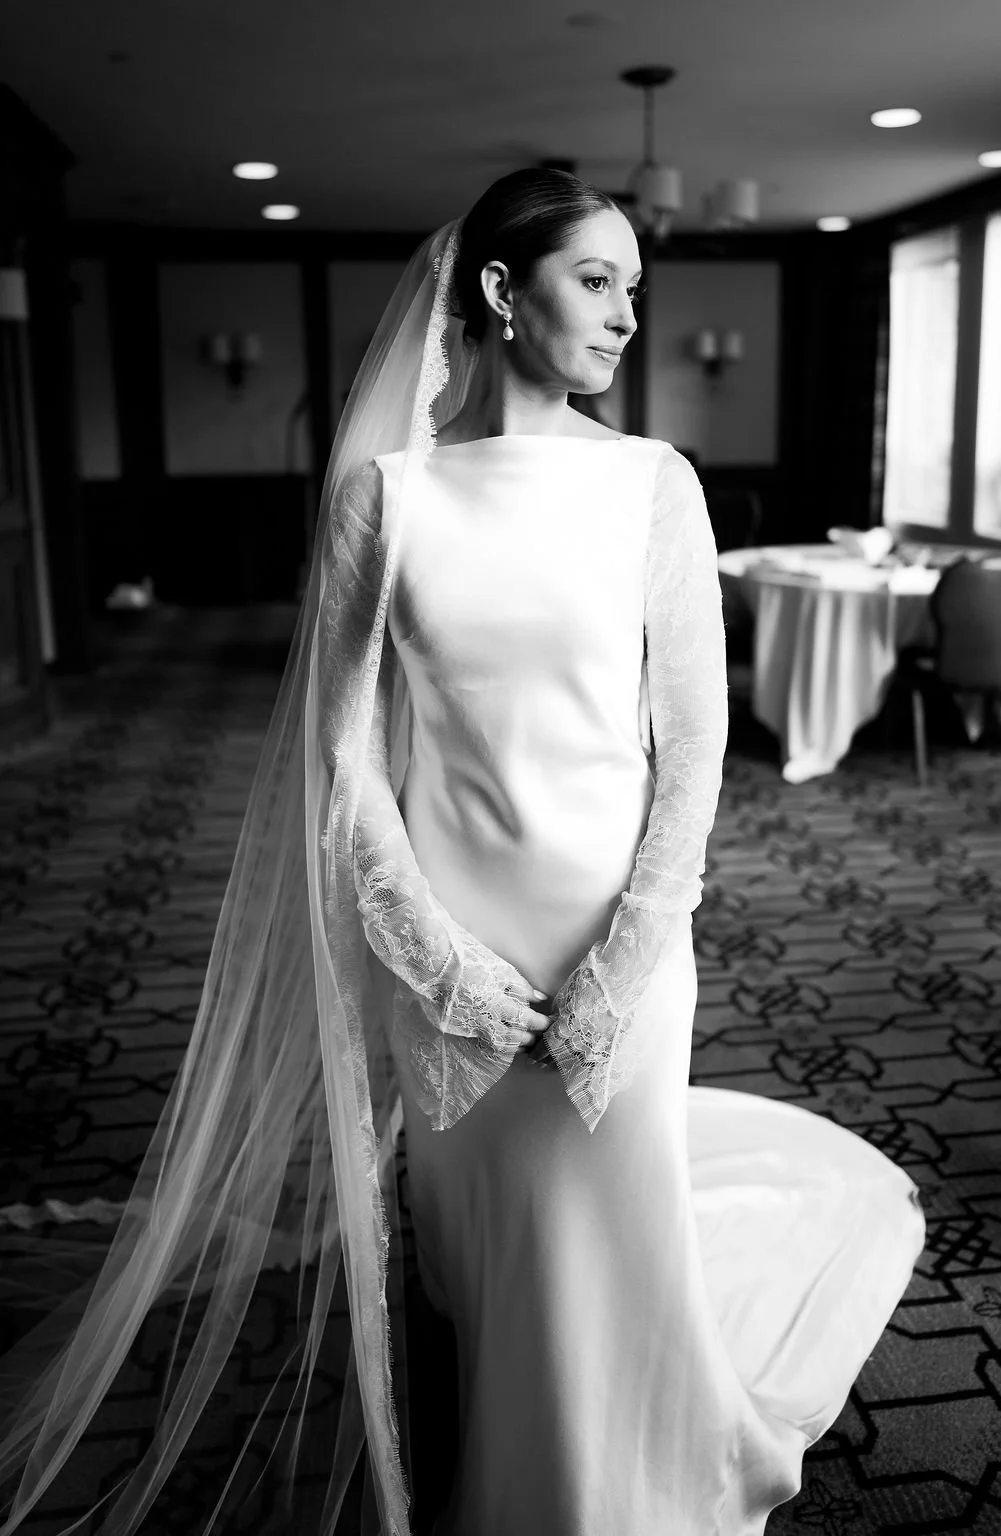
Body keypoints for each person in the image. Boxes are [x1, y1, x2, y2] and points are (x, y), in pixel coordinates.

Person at [0, 169, 925, 1536]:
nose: (627, 315)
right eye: (595, 280)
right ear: (500, 290)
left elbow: (694, 747)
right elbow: (343, 760)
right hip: (451, 933)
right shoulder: (384, 500)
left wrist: (625, 959)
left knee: (613, 1228)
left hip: (618, 926)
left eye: (634, 286)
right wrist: (440, 963)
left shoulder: (654, 485)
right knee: (490, 1251)